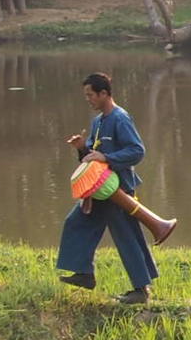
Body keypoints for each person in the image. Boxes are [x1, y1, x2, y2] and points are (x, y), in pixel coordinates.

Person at [56, 72, 156, 303]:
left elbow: (137, 151)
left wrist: (107, 158)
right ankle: (84, 274)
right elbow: (94, 154)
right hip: (98, 189)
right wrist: (82, 148)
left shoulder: (120, 118)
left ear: (104, 94)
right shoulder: (98, 121)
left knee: (126, 237)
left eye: (91, 95)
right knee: (76, 222)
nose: (88, 99)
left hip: (117, 191)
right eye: (86, 95)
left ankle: (141, 290)